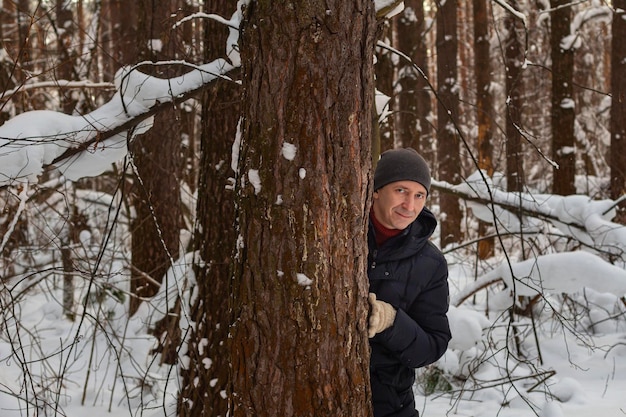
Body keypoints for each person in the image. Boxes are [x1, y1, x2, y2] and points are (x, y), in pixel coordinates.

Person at [367, 147, 451, 417]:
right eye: (401, 191)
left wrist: (392, 322)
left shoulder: (431, 263)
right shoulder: (338, 231)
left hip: (390, 404)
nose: (410, 206)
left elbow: (434, 344)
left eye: (419, 195)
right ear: (377, 189)